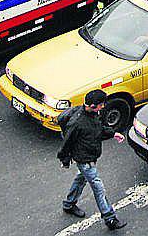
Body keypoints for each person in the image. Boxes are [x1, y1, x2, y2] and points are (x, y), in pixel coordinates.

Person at [57, 89, 127, 231]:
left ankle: (69, 204)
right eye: (101, 105)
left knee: (80, 179)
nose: (103, 107)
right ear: (93, 105)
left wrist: (113, 134)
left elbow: (98, 130)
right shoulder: (77, 122)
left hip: (90, 156)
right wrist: (64, 159)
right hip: (85, 160)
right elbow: (67, 142)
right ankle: (110, 218)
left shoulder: (93, 114)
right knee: (98, 188)